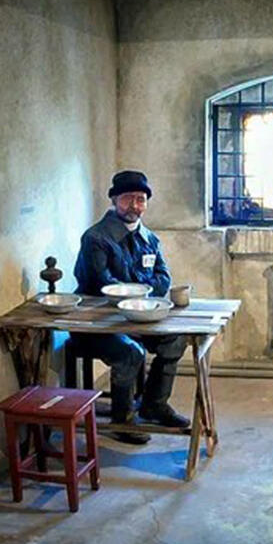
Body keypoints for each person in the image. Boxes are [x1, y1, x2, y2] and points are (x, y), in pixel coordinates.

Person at [72, 170, 190, 436]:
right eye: (127, 198)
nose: (134, 206)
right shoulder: (95, 238)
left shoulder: (150, 239)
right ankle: (122, 420)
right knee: (130, 352)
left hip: (138, 319)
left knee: (175, 340)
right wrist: (141, 295)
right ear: (114, 200)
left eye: (140, 199)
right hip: (96, 324)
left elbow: (163, 278)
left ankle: (154, 405)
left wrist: (138, 297)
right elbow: (102, 283)